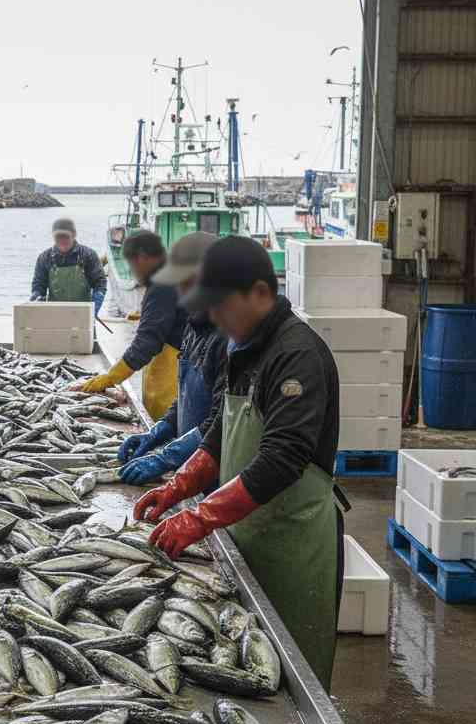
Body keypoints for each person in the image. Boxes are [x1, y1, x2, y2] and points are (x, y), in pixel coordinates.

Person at [134, 235, 343, 690]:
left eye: (223, 305)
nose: (215, 317)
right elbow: (220, 430)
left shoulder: (296, 355)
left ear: (261, 294)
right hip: (245, 527)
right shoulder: (242, 345)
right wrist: (180, 485)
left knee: (288, 681)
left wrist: (200, 517)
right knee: (237, 652)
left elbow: (282, 459)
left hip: (293, 541)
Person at [117, 232, 226, 485]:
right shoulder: (196, 323)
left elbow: (224, 420)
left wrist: (167, 456)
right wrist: (163, 428)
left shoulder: (234, 337)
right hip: (190, 469)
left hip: (221, 474)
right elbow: (188, 396)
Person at [81, 230, 185, 420]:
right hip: (179, 371)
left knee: (167, 434)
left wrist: (111, 377)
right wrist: (145, 316)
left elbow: (147, 342)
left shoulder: (162, 285)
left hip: (173, 382)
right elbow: (178, 315)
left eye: (131, 264)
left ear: (142, 258)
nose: (132, 272)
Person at [30, 217, 107, 316]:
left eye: (65, 236)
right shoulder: (44, 258)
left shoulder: (88, 255)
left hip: (83, 314)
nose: (62, 240)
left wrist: (93, 309)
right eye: (58, 236)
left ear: (74, 235)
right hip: (54, 314)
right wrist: (37, 299)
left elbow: (100, 283)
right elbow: (39, 285)